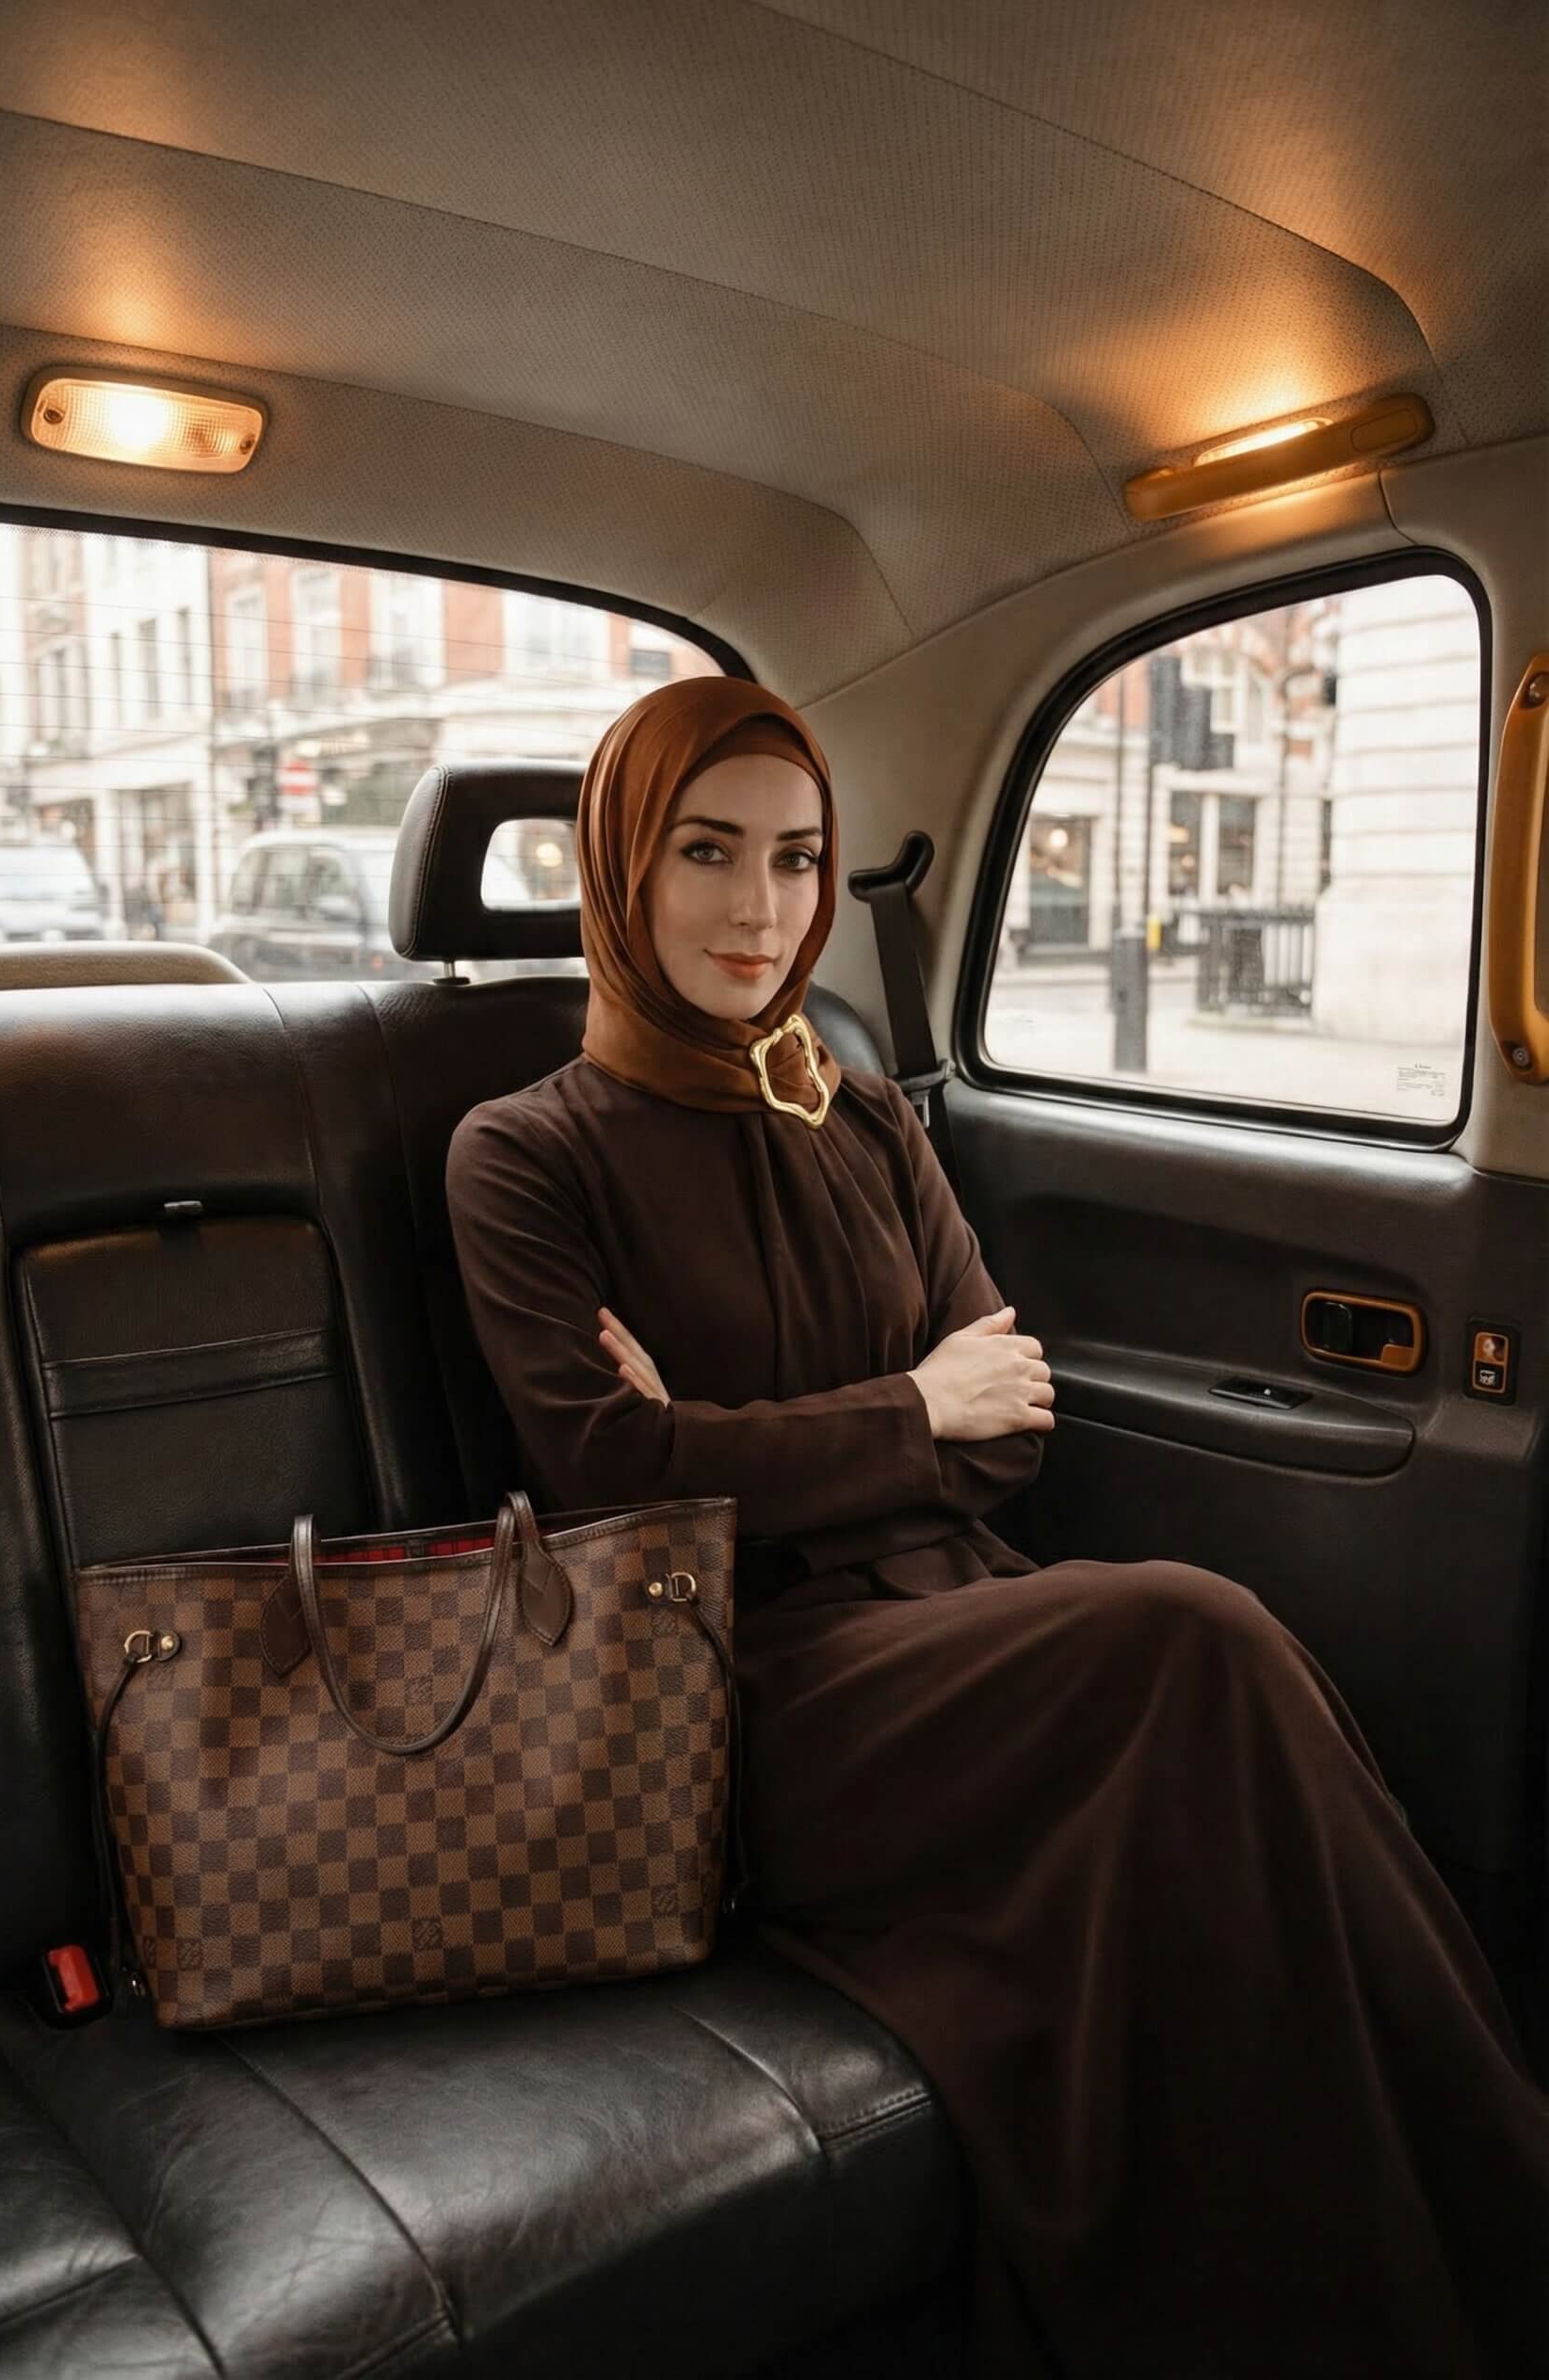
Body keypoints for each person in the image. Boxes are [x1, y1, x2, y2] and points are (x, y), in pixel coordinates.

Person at [445, 675, 1547, 2379]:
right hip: (751, 1697)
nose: (762, 910)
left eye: (801, 859)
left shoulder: (865, 1111)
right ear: (618, 871)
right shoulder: (523, 1156)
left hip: (962, 1619)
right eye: (706, 853)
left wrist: (733, 1439)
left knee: (1220, 1725)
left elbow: (1008, 1430)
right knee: (1191, 1632)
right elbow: (614, 1493)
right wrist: (901, 1413)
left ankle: (1441, 2254)